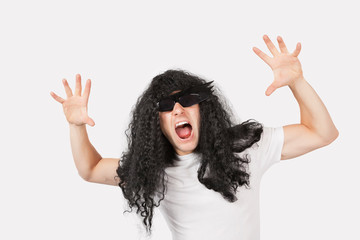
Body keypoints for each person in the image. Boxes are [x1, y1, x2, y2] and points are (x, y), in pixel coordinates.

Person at [50, 35, 339, 240]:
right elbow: (90, 169)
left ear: (203, 109)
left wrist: (297, 83)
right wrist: (76, 126)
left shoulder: (244, 149)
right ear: (157, 123)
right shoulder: (153, 170)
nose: (177, 109)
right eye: (165, 106)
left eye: (187, 100)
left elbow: (322, 133)